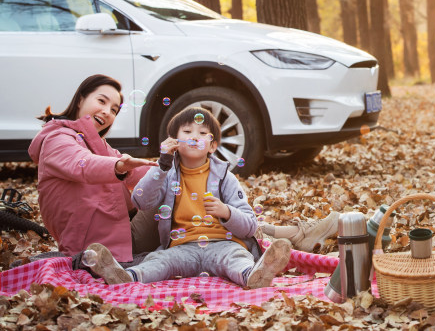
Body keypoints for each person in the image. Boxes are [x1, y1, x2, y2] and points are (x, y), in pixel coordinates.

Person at [86, 107, 292, 288]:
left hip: (224, 244)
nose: (194, 136)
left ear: (212, 146)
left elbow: (249, 225)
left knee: (237, 259)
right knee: (158, 260)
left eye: (203, 133)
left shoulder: (225, 178)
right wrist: (162, 164)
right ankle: (126, 276)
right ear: (174, 141)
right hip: (181, 247)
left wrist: (227, 212)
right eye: (187, 131)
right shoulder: (167, 174)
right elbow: (140, 200)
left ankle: (253, 276)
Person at [28, 74, 159, 268]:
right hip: (98, 245)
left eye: (114, 110)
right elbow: (84, 164)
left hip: (117, 234)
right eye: (101, 101)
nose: (107, 112)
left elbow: (139, 174)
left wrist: (167, 166)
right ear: (81, 99)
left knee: (174, 181)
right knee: (174, 193)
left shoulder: (99, 146)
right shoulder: (57, 139)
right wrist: (119, 166)